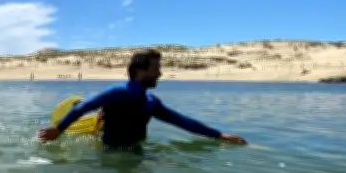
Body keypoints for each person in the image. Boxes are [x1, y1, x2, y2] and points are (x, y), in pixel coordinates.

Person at [38, 49, 247, 148]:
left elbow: (182, 121)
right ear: (140, 71)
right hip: (110, 154)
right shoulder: (116, 93)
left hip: (138, 151)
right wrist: (59, 129)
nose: (160, 74)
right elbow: (81, 107)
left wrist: (218, 135)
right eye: (156, 69)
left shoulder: (151, 102)